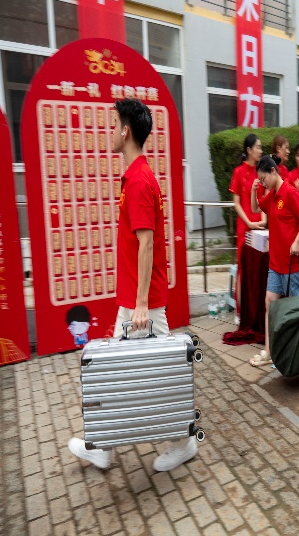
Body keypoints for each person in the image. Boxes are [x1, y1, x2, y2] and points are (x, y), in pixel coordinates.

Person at [68, 98, 198, 471]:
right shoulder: (136, 176)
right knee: (120, 374)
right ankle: (105, 447)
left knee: (160, 374)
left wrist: (141, 303)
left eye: (114, 125)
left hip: (144, 303)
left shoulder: (139, 180)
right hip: (137, 299)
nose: (110, 132)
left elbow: (147, 243)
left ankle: (182, 443)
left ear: (125, 131)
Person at [249, 155, 299, 367]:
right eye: (260, 180)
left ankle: (296, 354)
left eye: (264, 178)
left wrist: (297, 241)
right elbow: (256, 209)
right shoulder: (273, 195)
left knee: (295, 310)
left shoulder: (289, 192)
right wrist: (254, 190)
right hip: (275, 264)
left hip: (292, 263)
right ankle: (269, 351)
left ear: (273, 171)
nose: (263, 182)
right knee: (270, 302)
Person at [229, 134, 266, 318]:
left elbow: (264, 199)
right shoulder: (238, 172)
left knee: (258, 270)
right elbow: (236, 203)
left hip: (260, 228)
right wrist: (249, 222)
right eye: (258, 147)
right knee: (243, 269)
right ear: (249, 150)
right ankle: (240, 312)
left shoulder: (261, 172)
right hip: (245, 228)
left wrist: (263, 221)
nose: (260, 150)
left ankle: (254, 312)